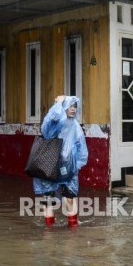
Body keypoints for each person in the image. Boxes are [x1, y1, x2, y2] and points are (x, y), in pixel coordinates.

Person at [33, 95, 88, 227]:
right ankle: (49, 232)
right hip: (50, 164)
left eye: (75, 106)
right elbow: (48, 125)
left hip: (68, 166)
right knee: (48, 200)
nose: (73, 109)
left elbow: (82, 149)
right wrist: (58, 103)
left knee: (70, 198)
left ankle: (72, 230)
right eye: (70, 106)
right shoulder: (55, 123)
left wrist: (76, 165)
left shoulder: (76, 126)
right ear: (64, 107)